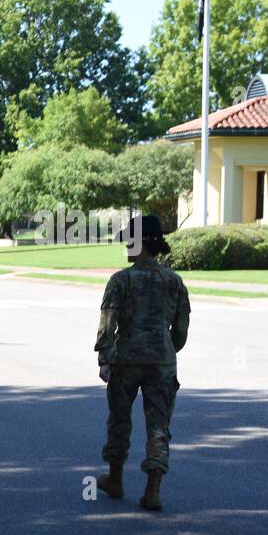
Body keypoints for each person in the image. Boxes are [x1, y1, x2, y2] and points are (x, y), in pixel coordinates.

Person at [94, 214, 190, 512]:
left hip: (127, 360)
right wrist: (164, 350)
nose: (126, 243)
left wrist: (105, 358)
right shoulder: (174, 281)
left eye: (130, 239)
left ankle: (116, 478)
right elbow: (182, 329)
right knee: (159, 424)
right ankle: (153, 491)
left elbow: (108, 322)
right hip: (162, 361)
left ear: (142, 243)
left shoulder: (122, 280)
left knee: (120, 418)